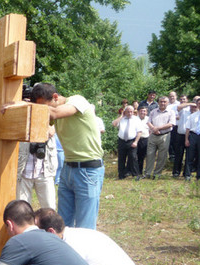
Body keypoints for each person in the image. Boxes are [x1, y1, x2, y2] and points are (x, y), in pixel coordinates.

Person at [30, 82, 104, 230]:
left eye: (44, 106)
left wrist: (28, 106)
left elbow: (55, 113)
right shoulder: (54, 110)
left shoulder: (77, 100)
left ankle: (83, 253)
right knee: (63, 224)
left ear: (55, 97)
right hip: (68, 168)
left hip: (88, 169)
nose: (44, 110)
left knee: (85, 226)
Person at [16, 131, 58, 209]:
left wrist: (52, 127)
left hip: (45, 169)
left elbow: (57, 125)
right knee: (22, 211)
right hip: (23, 169)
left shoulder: (52, 119)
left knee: (50, 209)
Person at [144, 96, 176, 179]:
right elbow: (148, 122)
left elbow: (171, 124)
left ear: (167, 103)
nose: (162, 103)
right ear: (158, 102)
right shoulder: (153, 111)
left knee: (162, 156)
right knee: (150, 154)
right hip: (153, 136)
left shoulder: (171, 112)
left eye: (164, 102)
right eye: (161, 101)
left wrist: (158, 128)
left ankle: (157, 174)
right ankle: (147, 173)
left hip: (164, 136)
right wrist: (154, 129)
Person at [112, 105, 142, 180]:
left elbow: (139, 132)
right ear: (125, 112)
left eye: (131, 111)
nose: (130, 113)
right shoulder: (121, 119)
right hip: (122, 141)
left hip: (131, 141)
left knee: (133, 158)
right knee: (121, 158)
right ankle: (121, 175)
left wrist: (136, 142)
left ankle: (136, 175)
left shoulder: (136, 119)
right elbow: (114, 124)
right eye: (128, 111)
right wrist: (121, 116)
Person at [184, 99, 200, 181]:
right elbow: (187, 128)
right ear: (196, 104)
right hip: (193, 136)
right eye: (199, 103)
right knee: (190, 156)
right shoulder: (192, 116)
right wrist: (186, 139)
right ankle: (187, 174)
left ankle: (199, 176)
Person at [136, 105, 150, 176]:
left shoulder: (149, 119)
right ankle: (131, 170)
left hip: (145, 139)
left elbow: (150, 130)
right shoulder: (135, 119)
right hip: (135, 139)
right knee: (134, 156)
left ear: (146, 112)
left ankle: (140, 171)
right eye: (141, 111)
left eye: (144, 111)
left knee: (142, 156)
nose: (142, 112)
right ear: (138, 112)